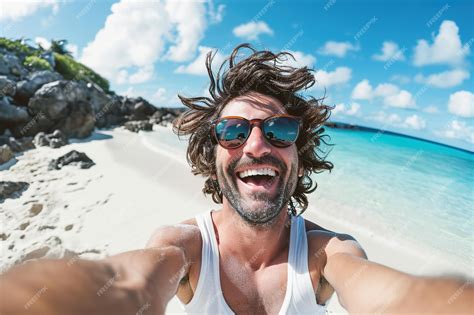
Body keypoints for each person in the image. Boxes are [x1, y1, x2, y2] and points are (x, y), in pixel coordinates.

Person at [0, 44, 472, 315]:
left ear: (299, 157)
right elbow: (124, 283)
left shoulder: (331, 254)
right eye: (233, 131)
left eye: (280, 130)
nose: (256, 146)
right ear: (213, 156)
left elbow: (398, 297)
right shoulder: (183, 247)